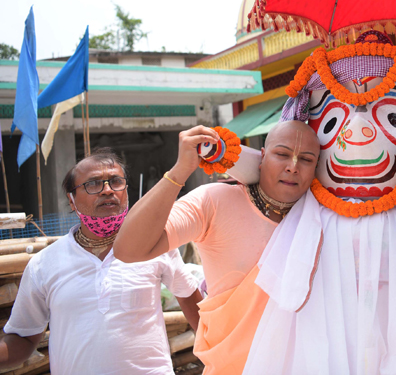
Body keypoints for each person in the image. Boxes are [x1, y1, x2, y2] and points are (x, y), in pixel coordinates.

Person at [114, 121, 320, 374]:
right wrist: (179, 171)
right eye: (282, 154)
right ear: (262, 156)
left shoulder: (322, 220)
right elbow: (128, 250)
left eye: (307, 160)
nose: (293, 167)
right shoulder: (213, 201)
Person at [1, 148, 201, 374]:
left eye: (116, 182)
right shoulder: (43, 264)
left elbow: (194, 307)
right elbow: (24, 338)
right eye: (93, 184)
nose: (107, 190)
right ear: (71, 199)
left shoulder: (154, 247)